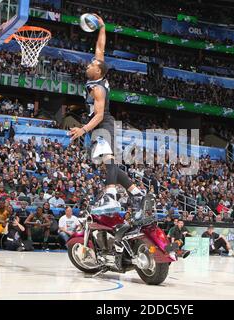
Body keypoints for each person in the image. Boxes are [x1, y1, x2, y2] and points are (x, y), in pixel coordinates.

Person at [68, 14, 151, 248]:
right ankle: (135, 192)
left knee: (109, 160)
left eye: (91, 65)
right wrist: (102, 27)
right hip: (101, 125)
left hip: (103, 123)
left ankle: (112, 195)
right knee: (107, 163)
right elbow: (100, 48)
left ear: (98, 72)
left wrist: (83, 130)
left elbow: (100, 114)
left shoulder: (98, 90)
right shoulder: (99, 74)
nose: (88, 64)